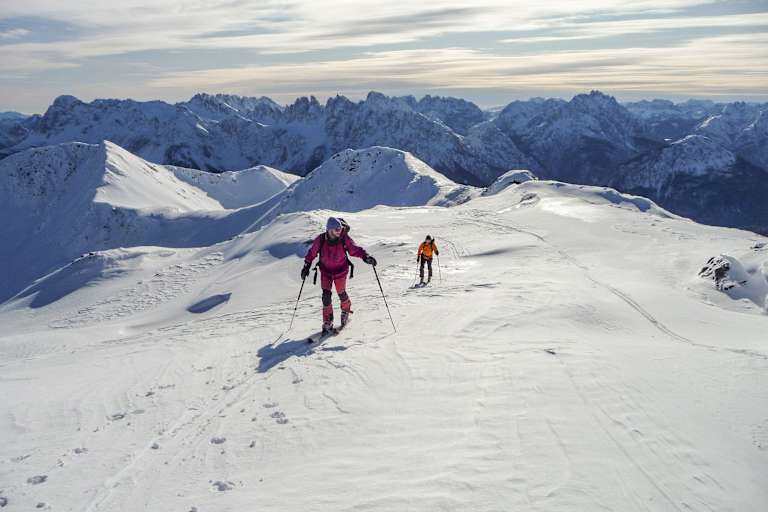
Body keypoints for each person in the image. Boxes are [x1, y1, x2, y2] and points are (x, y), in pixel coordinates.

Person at [302, 217, 376, 334]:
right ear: (329, 230)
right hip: (325, 271)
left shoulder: (343, 239)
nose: (339, 231)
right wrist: (306, 266)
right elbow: (312, 253)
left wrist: (365, 257)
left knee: (341, 293)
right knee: (326, 296)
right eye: (337, 230)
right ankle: (328, 321)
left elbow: (354, 249)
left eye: (340, 229)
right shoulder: (321, 240)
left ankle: (346, 310)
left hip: (341, 271)